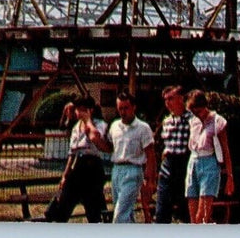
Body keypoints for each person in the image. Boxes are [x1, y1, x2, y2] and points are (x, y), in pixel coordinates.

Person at [44, 95, 108, 223]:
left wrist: (88, 121)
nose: (80, 112)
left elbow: (96, 137)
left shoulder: (100, 124)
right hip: (77, 166)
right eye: (78, 109)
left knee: (93, 208)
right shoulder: (75, 128)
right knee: (63, 205)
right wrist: (65, 175)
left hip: (92, 167)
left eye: (83, 109)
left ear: (91, 110)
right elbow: (72, 153)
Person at [98, 91, 157, 223]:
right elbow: (109, 147)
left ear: (133, 107)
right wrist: (96, 140)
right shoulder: (114, 126)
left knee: (120, 215)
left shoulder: (143, 128)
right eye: (120, 108)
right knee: (126, 211)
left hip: (133, 170)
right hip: (117, 170)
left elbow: (150, 155)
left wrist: (150, 179)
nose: (123, 112)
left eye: (126, 108)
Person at [185, 90, 234, 223]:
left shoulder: (217, 121)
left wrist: (230, 177)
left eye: (199, 111)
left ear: (204, 106)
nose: (197, 115)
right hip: (193, 162)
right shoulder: (193, 121)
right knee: (193, 219)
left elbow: (225, 150)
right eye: (194, 112)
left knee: (201, 216)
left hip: (209, 164)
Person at [154, 85, 192, 223]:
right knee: (161, 211)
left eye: (171, 98)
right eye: (165, 100)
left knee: (185, 211)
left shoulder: (192, 120)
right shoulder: (167, 121)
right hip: (167, 167)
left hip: (184, 166)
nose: (168, 103)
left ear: (181, 99)